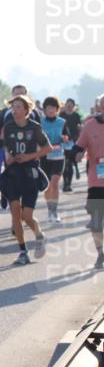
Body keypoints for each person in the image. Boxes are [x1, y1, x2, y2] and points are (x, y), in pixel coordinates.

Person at [0, 94, 53, 265]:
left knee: (26, 215)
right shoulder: (8, 127)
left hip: (30, 172)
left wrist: (30, 156)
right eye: (13, 107)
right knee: (15, 210)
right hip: (13, 171)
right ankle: (23, 251)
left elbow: (48, 148)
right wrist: (8, 156)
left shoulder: (34, 127)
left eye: (18, 107)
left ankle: (39, 234)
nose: (14, 110)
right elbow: (6, 146)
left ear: (26, 110)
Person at [72, 92, 104, 268]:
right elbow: (78, 147)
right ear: (99, 107)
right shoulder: (90, 126)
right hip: (97, 181)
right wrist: (77, 154)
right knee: (97, 221)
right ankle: (101, 253)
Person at [39, 96, 67, 222]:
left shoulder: (62, 122)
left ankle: (54, 211)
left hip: (58, 155)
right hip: (45, 156)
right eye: (48, 108)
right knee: (48, 185)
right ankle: (49, 209)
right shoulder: (40, 122)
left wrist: (65, 138)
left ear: (57, 109)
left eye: (53, 108)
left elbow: (67, 135)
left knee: (55, 182)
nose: (51, 110)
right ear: (44, 109)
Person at [61, 98, 83, 192]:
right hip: (63, 142)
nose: (69, 106)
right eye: (67, 104)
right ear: (65, 105)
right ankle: (65, 183)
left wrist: (78, 138)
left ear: (74, 106)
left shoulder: (76, 116)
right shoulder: (61, 115)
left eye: (71, 105)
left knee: (70, 163)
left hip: (73, 142)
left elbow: (79, 128)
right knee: (65, 164)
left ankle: (68, 184)